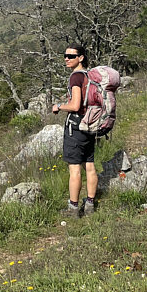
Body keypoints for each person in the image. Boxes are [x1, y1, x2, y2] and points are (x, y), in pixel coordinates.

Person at [51, 44, 98, 217]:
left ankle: (73, 208)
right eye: (65, 55)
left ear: (81, 58)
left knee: (75, 169)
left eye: (71, 56)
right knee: (90, 166)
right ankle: (90, 205)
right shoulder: (90, 75)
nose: (66, 58)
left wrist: (58, 106)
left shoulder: (76, 77)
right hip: (91, 125)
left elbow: (76, 105)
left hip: (77, 127)